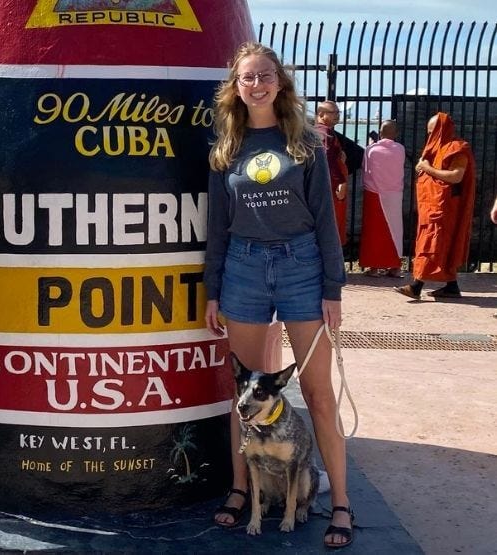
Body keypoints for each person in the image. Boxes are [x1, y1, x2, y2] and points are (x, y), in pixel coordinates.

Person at [204, 42, 353, 549]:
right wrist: (212, 289)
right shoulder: (226, 147)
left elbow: (327, 223)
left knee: (317, 394)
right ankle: (241, 490)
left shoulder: (305, 142)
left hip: (301, 266)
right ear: (236, 86)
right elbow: (218, 228)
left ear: (280, 83)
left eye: (266, 75)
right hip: (243, 267)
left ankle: (341, 504)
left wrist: (333, 288)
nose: (257, 84)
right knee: (242, 395)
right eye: (248, 78)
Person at [394, 112, 475, 300]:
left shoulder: (457, 149)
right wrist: (423, 169)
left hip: (444, 208)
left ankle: (416, 286)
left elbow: (456, 176)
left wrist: (427, 169)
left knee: (432, 244)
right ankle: (451, 286)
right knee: (434, 244)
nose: (429, 137)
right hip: (433, 205)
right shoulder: (436, 148)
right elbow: (426, 169)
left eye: (432, 132)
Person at [359, 120, 406, 277]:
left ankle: (373, 267)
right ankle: (395, 266)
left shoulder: (371, 149)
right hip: (394, 194)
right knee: (395, 230)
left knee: (374, 231)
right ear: (396, 133)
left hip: (374, 192)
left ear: (380, 132)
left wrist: (371, 145)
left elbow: (365, 169)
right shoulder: (401, 149)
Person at [315, 100, 349, 246]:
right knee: (332, 224)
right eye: (333, 113)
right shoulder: (325, 132)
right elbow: (326, 157)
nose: (337, 116)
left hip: (324, 186)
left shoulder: (318, 131)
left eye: (338, 112)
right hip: (331, 188)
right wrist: (340, 181)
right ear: (321, 114)